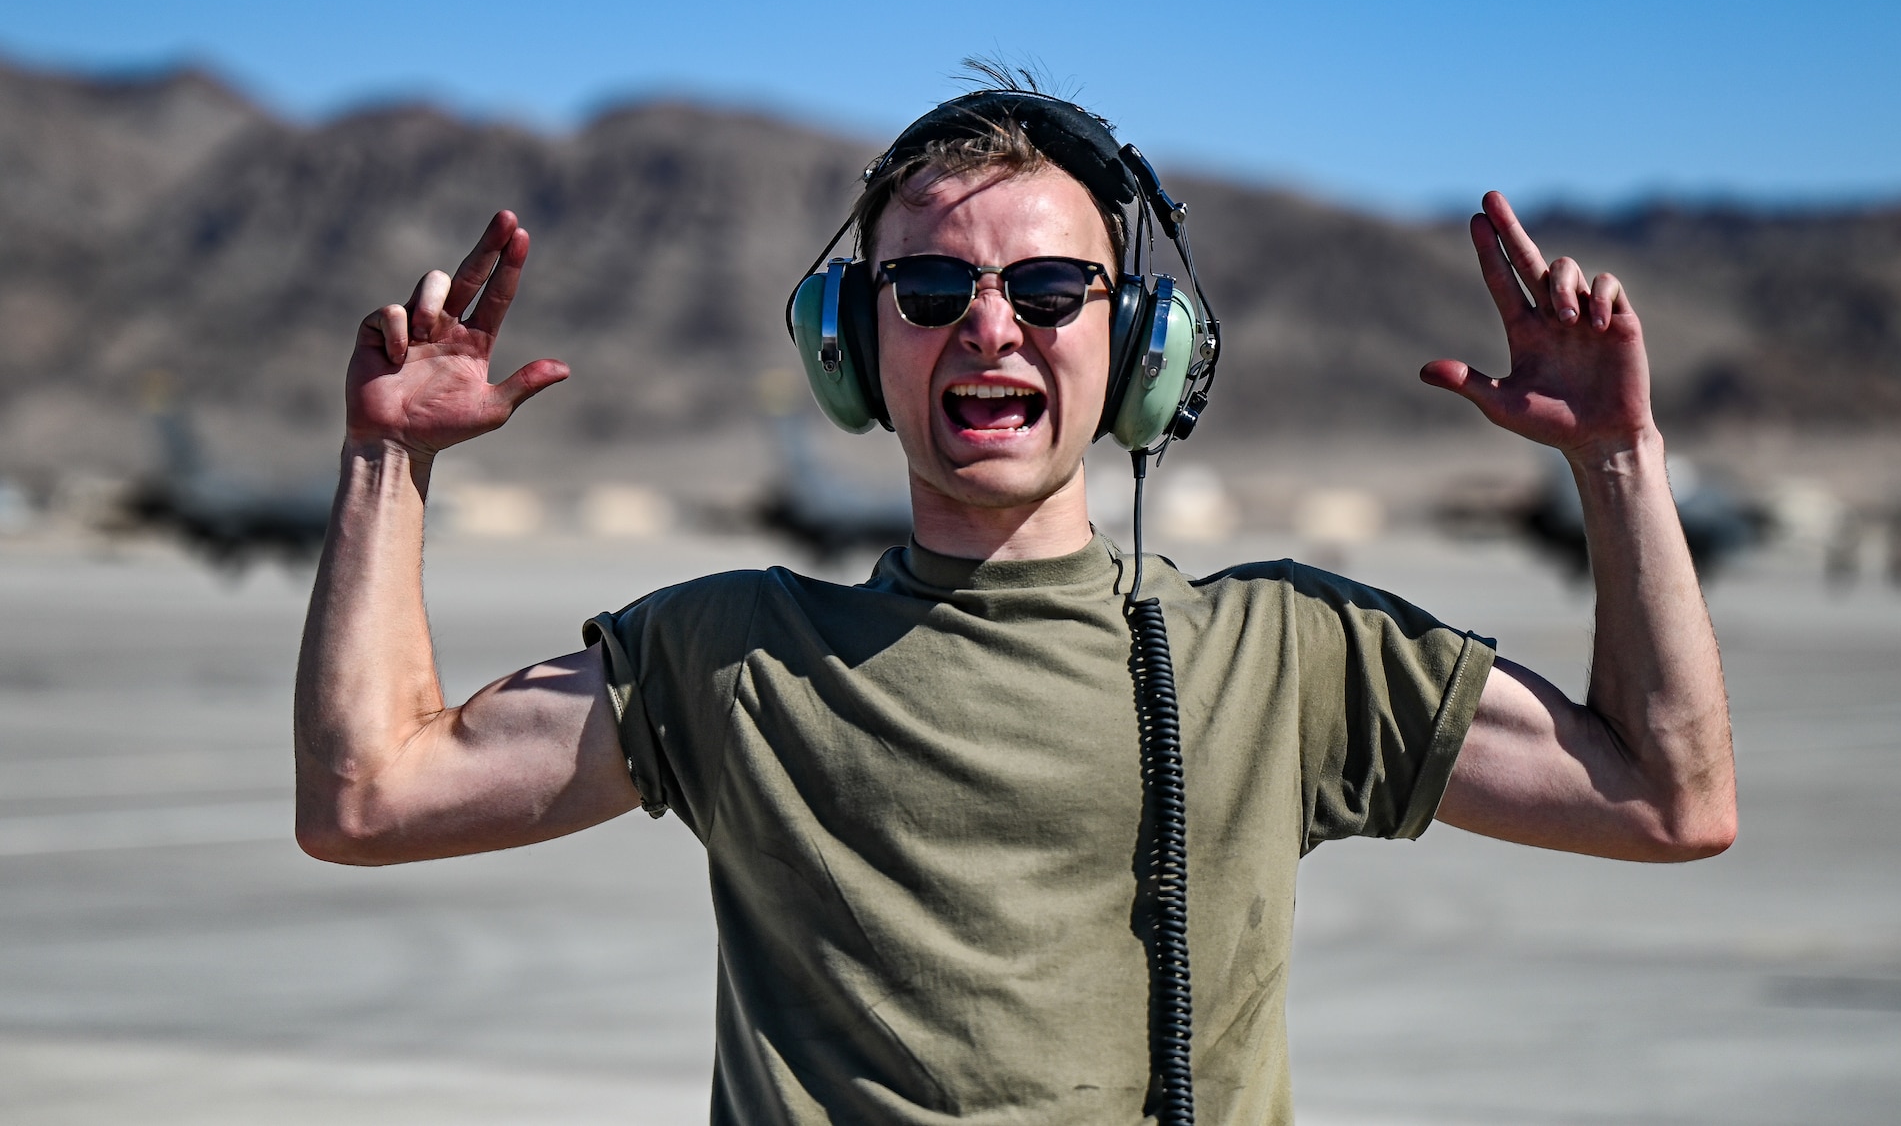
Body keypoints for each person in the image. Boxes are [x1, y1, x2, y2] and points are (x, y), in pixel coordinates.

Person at [294, 84, 1735, 1126]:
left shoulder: (1284, 660)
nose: (991, 324)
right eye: (928, 286)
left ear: (1144, 343)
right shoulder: (729, 658)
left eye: (1051, 287)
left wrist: (1618, 463)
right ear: (855, 346)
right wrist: (386, 463)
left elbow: (1670, 797)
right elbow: (367, 795)